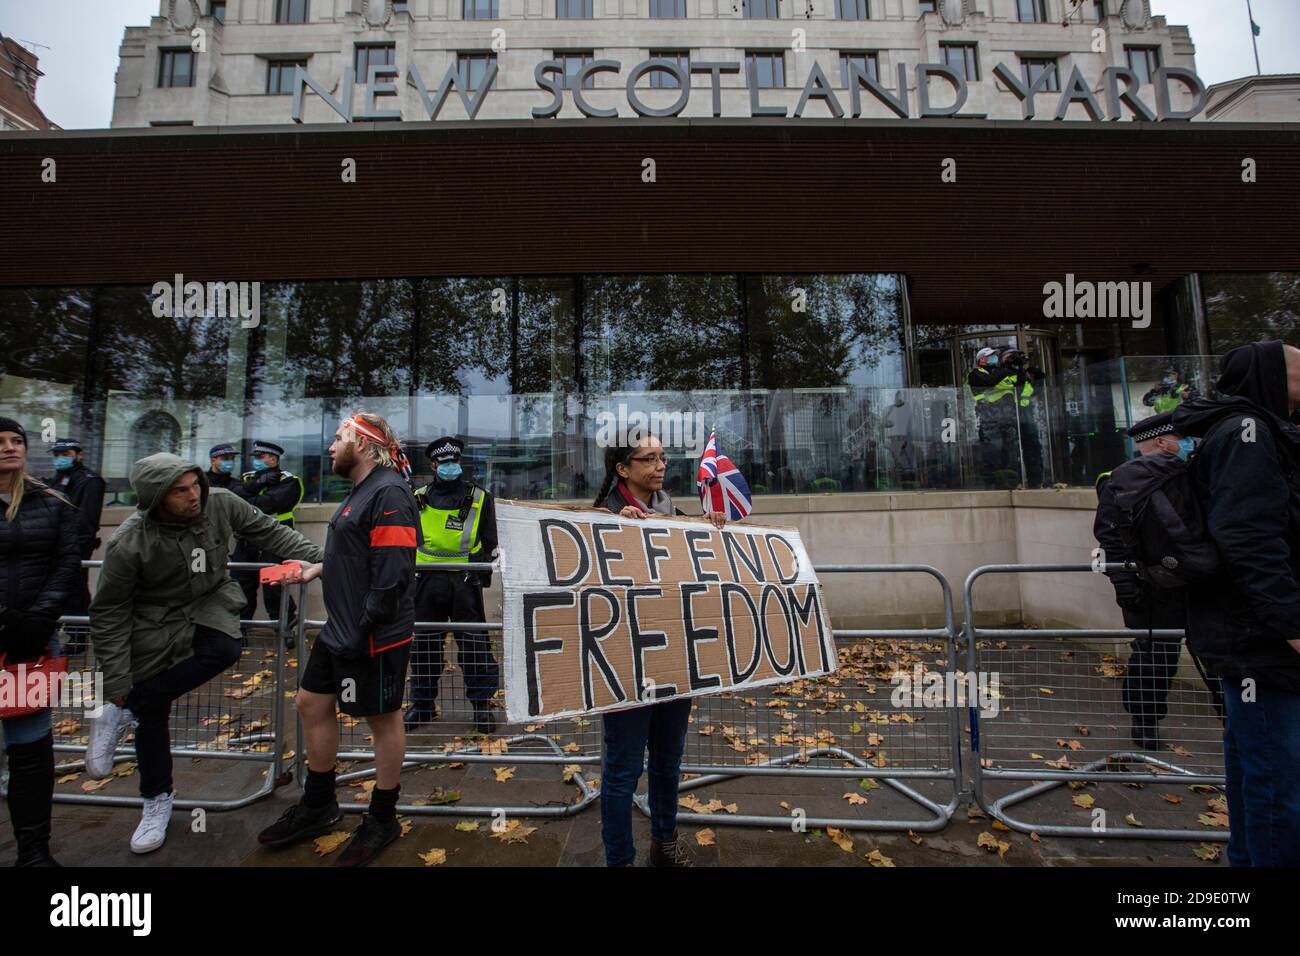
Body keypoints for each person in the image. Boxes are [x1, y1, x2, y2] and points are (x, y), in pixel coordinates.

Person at [86, 453, 324, 855]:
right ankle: (156, 800)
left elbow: (269, 531)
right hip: (153, 622)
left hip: (210, 602)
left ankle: (125, 708)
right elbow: (108, 612)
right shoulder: (129, 540)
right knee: (153, 711)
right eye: (179, 491)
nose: (193, 496)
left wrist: (323, 559)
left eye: (194, 485)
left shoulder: (222, 503)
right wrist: (118, 681)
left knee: (225, 649)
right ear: (155, 497)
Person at [257, 412, 418, 867]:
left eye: (339, 437)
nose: (330, 446)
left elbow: (393, 576)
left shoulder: (389, 492)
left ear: (364, 444)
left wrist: (363, 627)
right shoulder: (363, 491)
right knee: (310, 702)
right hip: (341, 629)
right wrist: (316, 568)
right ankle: (319, 804)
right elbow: (358, 553)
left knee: (382, 721)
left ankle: (382, 818)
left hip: (373, 635)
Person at [1171, 340, 1300, 867]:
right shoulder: (1245, 435)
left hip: (1250, 637)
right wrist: (1291, 623)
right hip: (1258, 642)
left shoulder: (1252, 431)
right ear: (1271, 377)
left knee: (1259, 766)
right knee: (1276, 779)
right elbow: (1248, 537)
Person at [592, 432, 726, 868]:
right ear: (622, 468)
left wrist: (712, 531)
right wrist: (614, 532)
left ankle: (664, 844)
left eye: (663, 457)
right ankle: (620, 860)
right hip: (627, 665)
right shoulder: (602, 516)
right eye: (647, 458)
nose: (659, 465)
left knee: (668, 762)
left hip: (672, 662)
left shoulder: (674, 514)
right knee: (623, 771)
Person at [1092, 412, 1222, 750]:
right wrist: (1125, 583)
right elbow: (1111, 537)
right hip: (1150, 587)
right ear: (1163, 442)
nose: (1191, 446)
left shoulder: (1195, 473)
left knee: (1216, 654)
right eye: (1184, 440)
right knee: (1154, 657)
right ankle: (1145, 723)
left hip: (1200, 582)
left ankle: (1232, 718)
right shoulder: (1120, 480)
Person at [0, 418, 80, 866]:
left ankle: (33, 851)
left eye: (17, 441)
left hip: (29, 646)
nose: (11, 448)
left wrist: (35, 621)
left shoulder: (50, 503)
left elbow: (66, 563)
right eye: (1, 442)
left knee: (30, 749)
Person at [406, 437, 500, 734]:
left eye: (454, 462)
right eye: (443, 463)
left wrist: (478, 568)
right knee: (423, 647)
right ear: (433, 465)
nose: (449, 467)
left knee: (475, 647)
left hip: (464, 582)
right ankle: (421, 706)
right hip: (425, 581)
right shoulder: (416, 496)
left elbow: (491, 540)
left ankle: (482, 707)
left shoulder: (480, 497)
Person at [234, 440, 305, 646]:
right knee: (241, 585)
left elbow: (269, 504)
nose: (256, 461)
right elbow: (234, 497)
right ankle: (241, 630)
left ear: (273, 459)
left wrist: (249, 497)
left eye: (260, 457)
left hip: (276, 541)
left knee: (275, 587)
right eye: (255, 457)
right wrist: (257, 484)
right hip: (247, 540)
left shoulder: (289, 481)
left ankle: (285, 627)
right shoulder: (247, 479)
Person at [46, 438, 105, 644]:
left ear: (79, 455)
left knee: (75, 589)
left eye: (66, 454)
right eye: (57, 455)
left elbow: (85, 519)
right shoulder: (57, 479)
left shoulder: (89, 480)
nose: (61, 458)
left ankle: (79, 637)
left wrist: (72, 545)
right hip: (53, 545)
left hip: (75, 546)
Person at [967, 347, 1045, 488]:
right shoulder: (976, 374)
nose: (994, 358)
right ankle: (992, 485)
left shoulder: (1003, 374)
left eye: (996, 356)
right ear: (982, 359)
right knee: (993, 453)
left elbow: (1023, 387)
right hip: (989, 419)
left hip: (1012, 419)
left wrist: (1024, 372)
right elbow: (989, 382)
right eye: (991, 356)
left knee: (1011, 452)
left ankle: (1020, 481)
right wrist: (1007, 369)